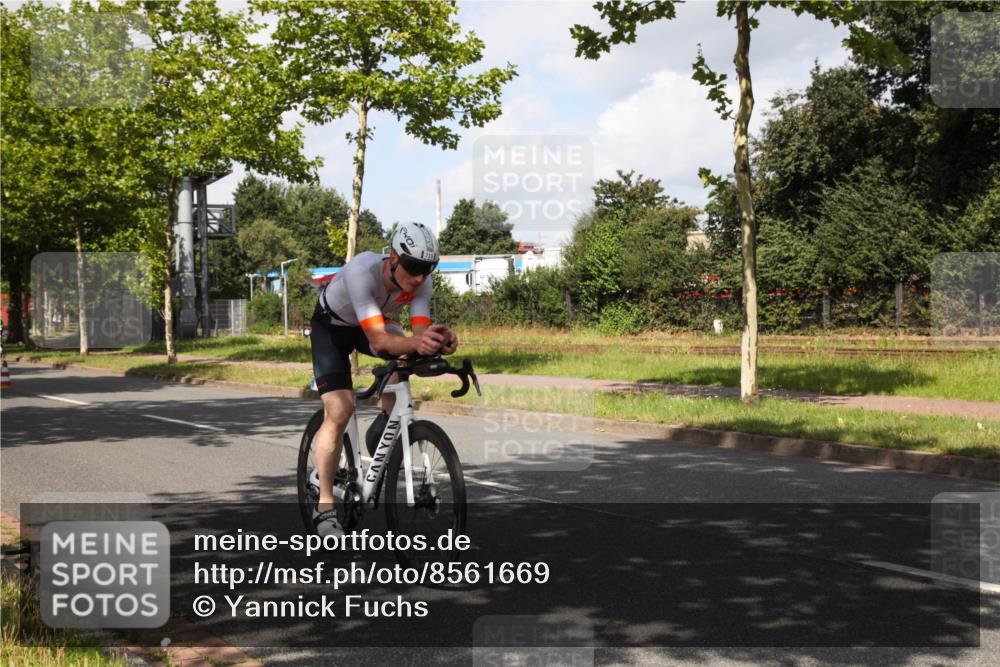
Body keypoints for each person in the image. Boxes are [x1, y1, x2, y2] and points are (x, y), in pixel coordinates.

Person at [309, 221, 458, 537]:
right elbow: (378, 342)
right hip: (333, 327)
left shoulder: (421, 283)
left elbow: (417, 338)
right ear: (393, 257)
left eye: (427, 269)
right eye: (413, 267)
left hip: (375, 322)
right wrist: (419, 343)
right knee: (339, 411)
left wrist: (437, 341)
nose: (418, 277)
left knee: (407, 356)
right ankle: (324, 506)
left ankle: (386, 421)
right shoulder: (361, 272)